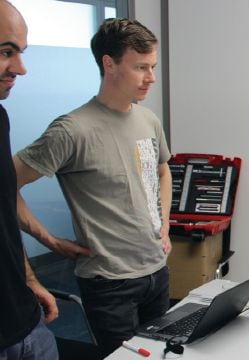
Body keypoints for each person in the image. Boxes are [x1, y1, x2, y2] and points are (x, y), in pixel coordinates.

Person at [14, 18, 172, 357]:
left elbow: (162, 171)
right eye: (141, 67)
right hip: (109, 282)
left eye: (153, 66)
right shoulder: (71, 131)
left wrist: (165, 224)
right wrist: (49, 240)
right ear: (109, 64)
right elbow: (5, 185)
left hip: (156, 271)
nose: (151, 78)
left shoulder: (149, 120)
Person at [0, 2, 59, 359]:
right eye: (7, 52)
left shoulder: (0, 118)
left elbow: (4, 212)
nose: (20, 68)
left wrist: (30, 279)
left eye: (20, 52)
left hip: (26, 326)